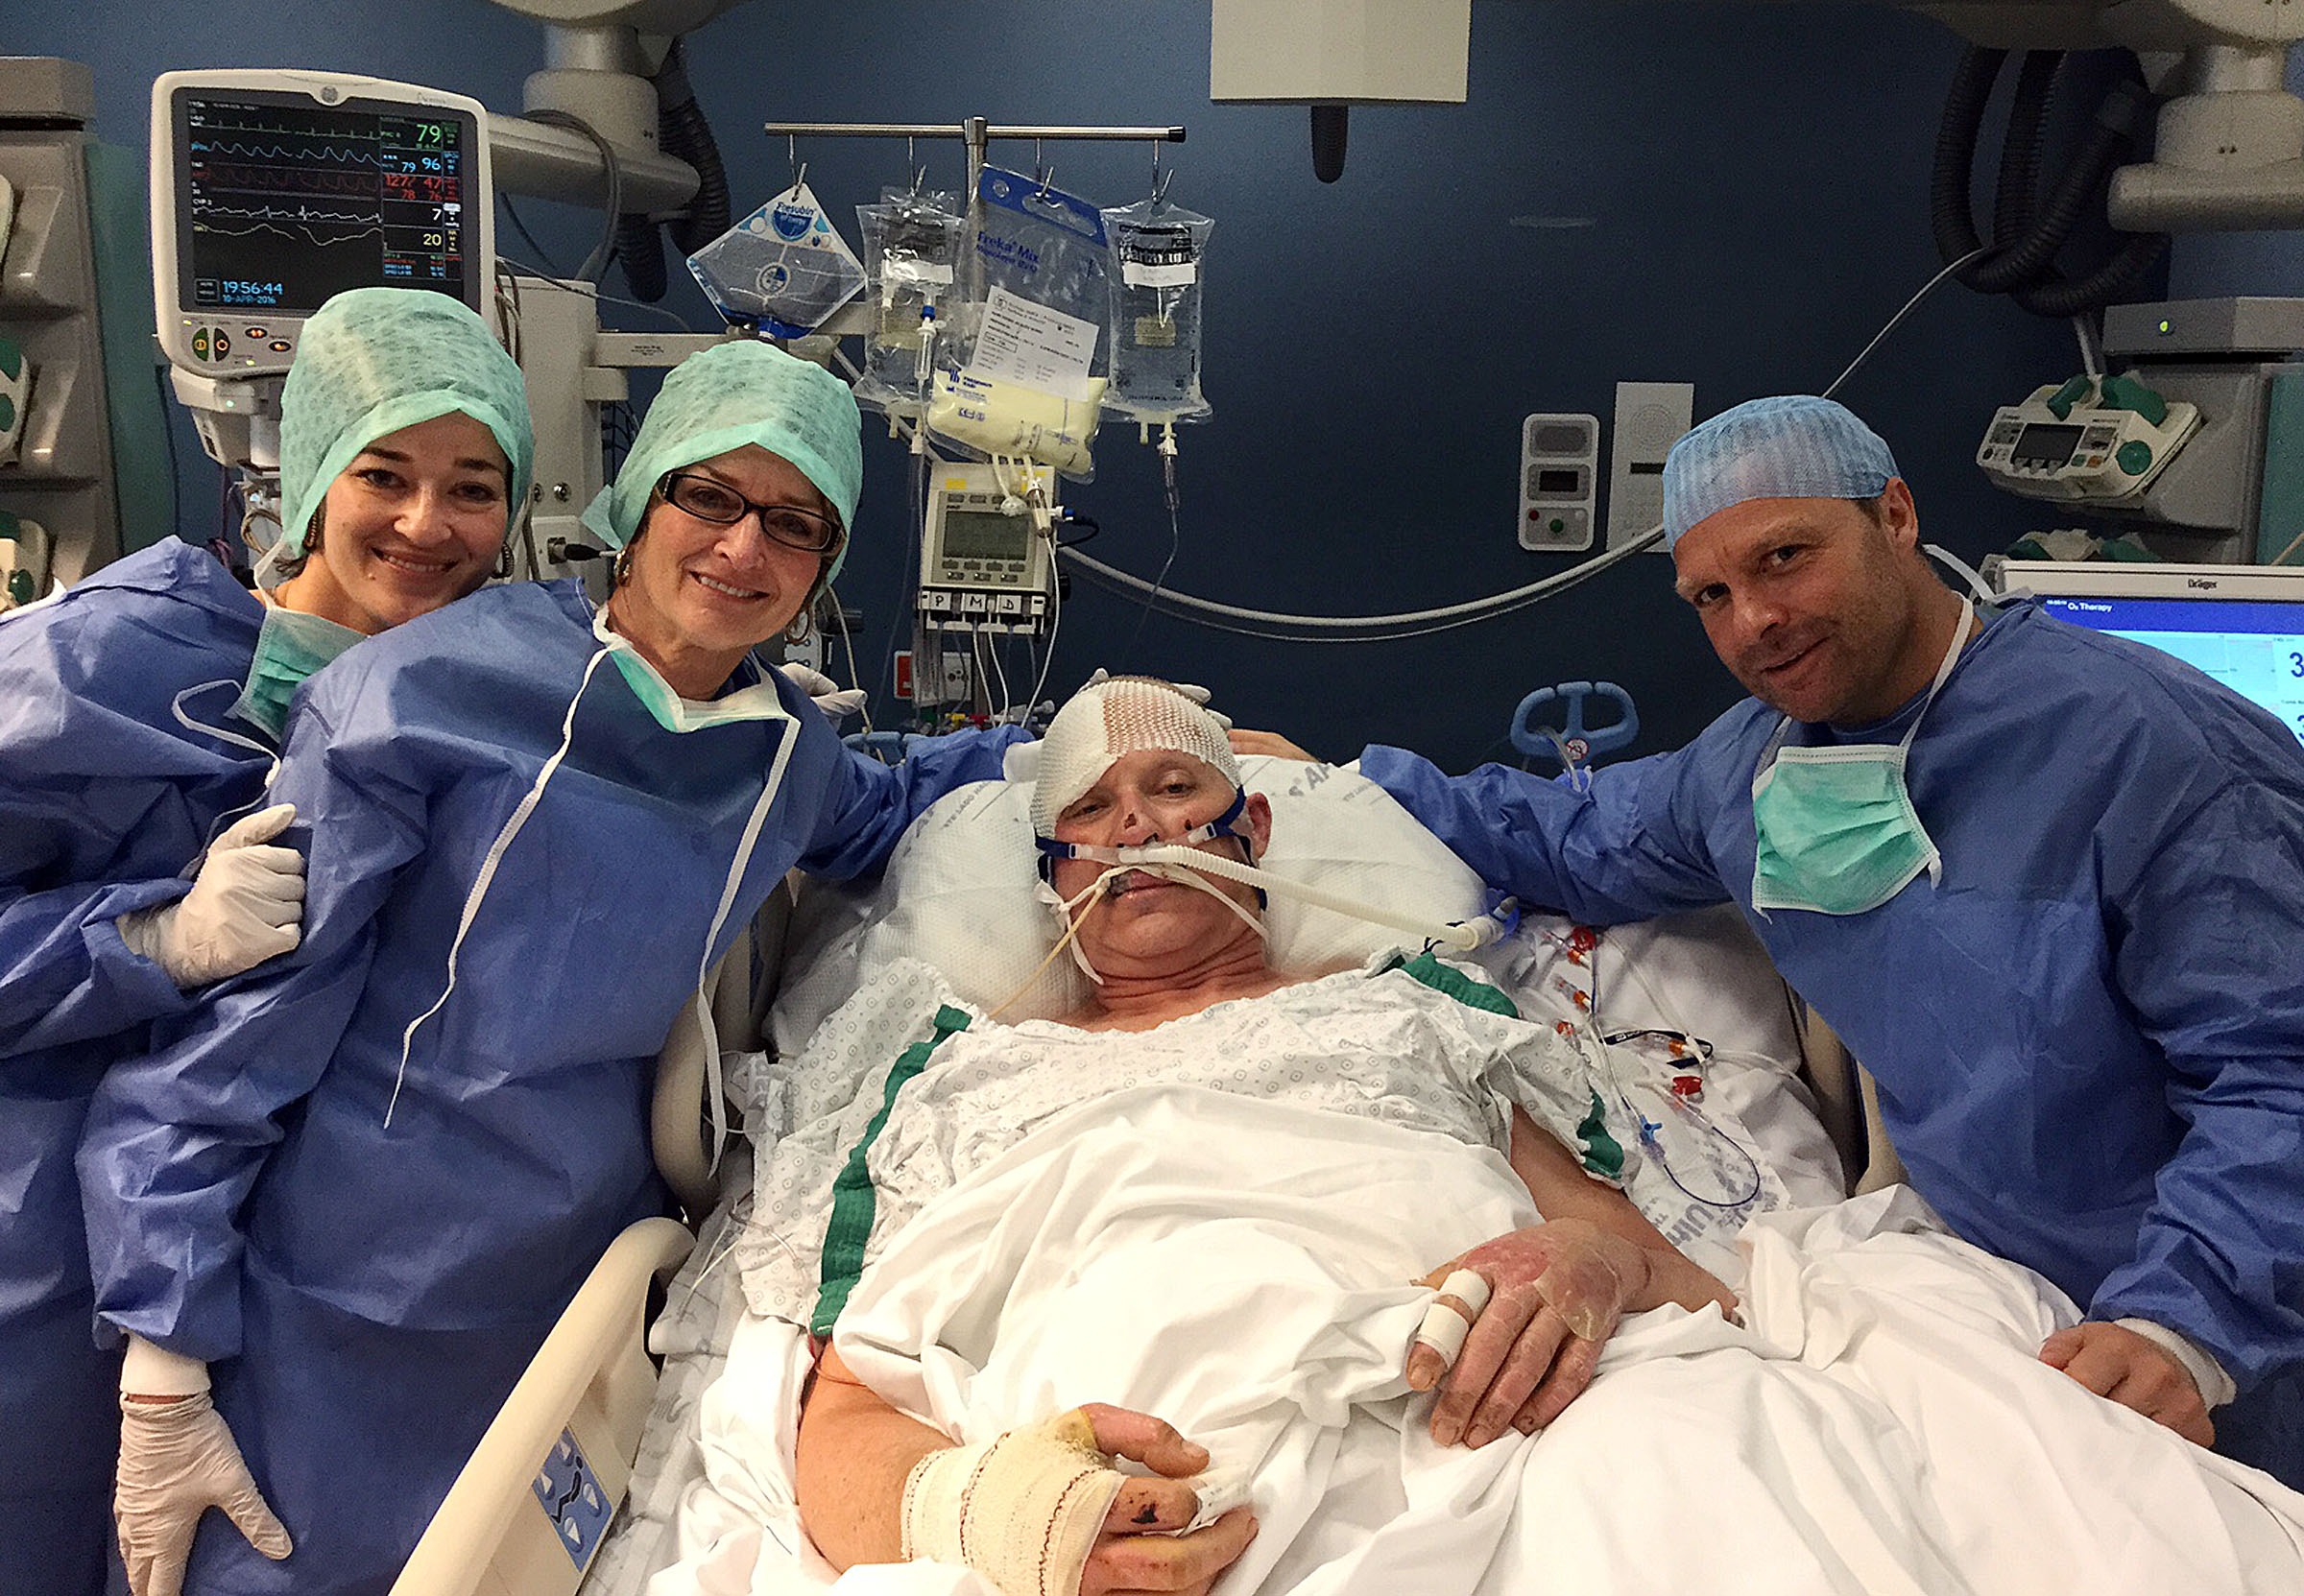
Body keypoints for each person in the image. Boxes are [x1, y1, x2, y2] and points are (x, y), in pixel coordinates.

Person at [77, 339, 1025, 1596]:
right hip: (328, 1298)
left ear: (823, 567)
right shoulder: (414, 699)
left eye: (795, 523)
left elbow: (899, 797)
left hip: (564, 1298)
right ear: (636, 507)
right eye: (711, 497)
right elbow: (240, 1033)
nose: (746, 549)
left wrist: (1135, 749)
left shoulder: (785, 756)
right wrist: (163, 1355)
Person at [1239, 394, 2304, 1488]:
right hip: (1995, 1303)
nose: (1753, 620)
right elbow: (1565, 834)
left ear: (1895, 516)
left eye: (1785, 557)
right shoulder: (1751, 767)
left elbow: (2281, 1072)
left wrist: (2186, 1326)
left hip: (2232, 1319)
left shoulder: (2156, 753)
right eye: (1711, 594)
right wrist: (1331, 787)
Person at [784, 677, 1740, 1596]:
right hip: (1148, 1476)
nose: (1137, 826)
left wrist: (1593, 1261)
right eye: (1089, 808)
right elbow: (843, 1418)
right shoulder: (959, 1078)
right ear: (1051, 875)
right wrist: (998, 1511)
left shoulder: (1416, 1009)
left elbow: (1668, 1273)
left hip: (1486, 1421)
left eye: (1171, 787)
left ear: (1255, 829)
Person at [0, 285, 532, 1596]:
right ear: (306, 477)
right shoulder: (112, 659)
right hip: (44, 1242)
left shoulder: (467, 691)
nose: (427, 523)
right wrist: (149, 936)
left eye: (473, 486)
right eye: (385, 472)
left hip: (267, 1251)